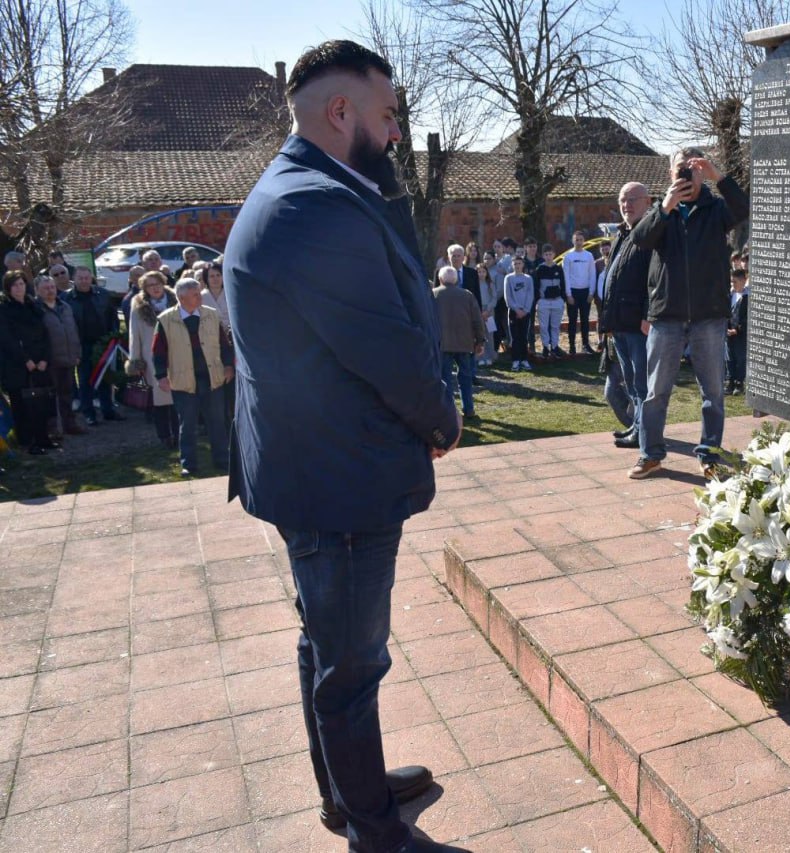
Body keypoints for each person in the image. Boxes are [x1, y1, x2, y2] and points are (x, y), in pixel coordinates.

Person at [222, 39, 464, 853]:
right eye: (387, 115)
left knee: (327, 647)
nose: (395, 132)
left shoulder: (304, 187)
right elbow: (386, 349)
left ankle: (346, 790)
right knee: (351, 668)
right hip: (340, 478)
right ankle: (375, 830)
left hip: (318, 467)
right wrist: (441, 422)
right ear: (340, 111)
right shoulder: (313, 207)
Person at [629, 148, 748, 479]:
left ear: (702, 174)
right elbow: (640, 239)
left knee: (713, 392)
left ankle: (709, 454)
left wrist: (718, 176)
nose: (686, 175)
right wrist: (665, 208)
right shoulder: (661, 210)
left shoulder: (716, 209)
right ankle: (651, 454)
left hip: (709, 315)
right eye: (680, 168)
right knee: (656, 392)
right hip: (667, 316)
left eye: (694, 169)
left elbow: (743, 208)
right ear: (670, 174)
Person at [152, 278, 232, 476]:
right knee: (187, 425)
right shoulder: (165, 320)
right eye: (195, 294)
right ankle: (188, 464)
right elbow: (158, 351)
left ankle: (223, 460)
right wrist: (161, 376)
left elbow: (224, 344)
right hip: (183, 381)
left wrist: (229, 365)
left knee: (217, 422)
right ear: (181, 297)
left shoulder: (211, 315)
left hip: (212, 378)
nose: (200, 297)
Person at [598, 182, 653, 450]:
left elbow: (656, 279)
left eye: (632, 199)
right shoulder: (622, 233)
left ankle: (644, 433)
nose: (626, 205)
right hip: (620, 323)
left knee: (641, 384)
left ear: (648, 202)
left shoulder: (650, 233)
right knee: (631, 383)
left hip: (638, 325)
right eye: (622, 199)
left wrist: (648, 315)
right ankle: (637, 426)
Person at [0, 271, 57, 453]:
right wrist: (26, 360)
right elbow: (7, 339)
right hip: (17, 365)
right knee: (22, 406)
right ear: (8, 288)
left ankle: (43, 438)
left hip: (40, 363)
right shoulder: (4, 309)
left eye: (21, 284)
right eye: (15, 285)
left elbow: (45, 334)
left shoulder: (33, 305)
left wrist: (44, 358)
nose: (19, 288)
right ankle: (28, 442)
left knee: (41, 403)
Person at [127, 271, 179, 448]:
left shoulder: (176, 299)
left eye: (157, 283)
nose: (155, 288)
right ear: (145, 288)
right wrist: (136, 360)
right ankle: (164, 436)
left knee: (178, 397)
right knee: (160, 399)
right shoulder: (138, 306)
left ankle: (179, 434)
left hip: (177, 354)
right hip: (152, 356)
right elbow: (134, 334)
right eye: (150, 285)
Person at [67, 266, 124, 425]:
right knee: (85, 380)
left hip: (103, 343)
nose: (84, 281)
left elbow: (113, 318)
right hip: (82, 345)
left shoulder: (103, 294)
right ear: (74, 279)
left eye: (87, 277)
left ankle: (108, 410)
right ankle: (89, 413)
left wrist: (113, 338)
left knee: (105, 378)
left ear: (91, 278)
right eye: (80, 278)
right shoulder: (66, 298)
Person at [34, 274, 84, 437]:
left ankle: (70, 424)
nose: (50, 291)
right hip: (49, 361)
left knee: (67, 395)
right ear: (37, 290)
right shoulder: (35, 309)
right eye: (45, 288)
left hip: (68, 359)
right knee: (49, 397)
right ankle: (53, 429)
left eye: (52, 287)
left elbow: (73, 330)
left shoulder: (65, 306)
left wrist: (77, 353)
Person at [433, 266, 485, 418]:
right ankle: (468, 409)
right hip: (464, 343)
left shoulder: (433, 295)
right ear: (456, 280)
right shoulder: (467, 295)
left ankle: (449, 411)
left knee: (445, 379)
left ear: (440, 279)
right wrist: (480, 340)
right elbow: (477, 320)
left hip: (442, 343)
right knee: (465, 378)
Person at [199, 260, 235, 421]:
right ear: (206, 278)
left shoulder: (231, 292)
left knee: (232, 382)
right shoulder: (201, 297)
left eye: (218, 275)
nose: (215, 279)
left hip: (232, 342)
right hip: (211, 344)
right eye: (211, 276)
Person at [561, 230, 596, 356]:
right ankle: (572, 346)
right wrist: (568, 294)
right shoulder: (568, 256)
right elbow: (566, 277)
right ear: (573, 241)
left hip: (586, 292)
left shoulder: (589, 256)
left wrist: (591, 292)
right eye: (577, 240)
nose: (579, 242)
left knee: (585, 319)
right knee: (572, 320)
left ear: (584, 241)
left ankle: (586, 344)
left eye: (581, 240)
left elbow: (592, 275)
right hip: (573, 293)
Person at [533, 243, 566, 358]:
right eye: (546, 254)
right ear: (543, 256)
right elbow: (536, 286)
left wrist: (562, 299)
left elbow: (563, 284)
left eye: (550, 254)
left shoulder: (558, 268)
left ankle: (555, 347)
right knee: (543, 326)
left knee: (555, 326)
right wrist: (538, 300)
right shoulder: (540, 269)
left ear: (554, 254)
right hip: (544, 301)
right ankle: (545, 347)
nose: (548, 256)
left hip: (557, 301)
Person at [504, 255, 534, 371]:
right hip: (513, 312)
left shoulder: (528, 278)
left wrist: (525, 310)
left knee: (524, 337)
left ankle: (524, 360)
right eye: (515, 263)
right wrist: (516, 310)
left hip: (525, 312)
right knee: (515, 337)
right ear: (512, 265)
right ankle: (515, 361)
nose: (517, 266)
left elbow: (530, 295)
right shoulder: (508, 278)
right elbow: (508, 297)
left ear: (523, 264)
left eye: (519, 263)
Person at [726, 267, 749, 395]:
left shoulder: (747, 297)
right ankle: (730, 382)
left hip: (740, 334)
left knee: (740, 359)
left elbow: (746, 318)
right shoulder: (730, 295)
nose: (733, 284)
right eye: (732, 281)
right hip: (729, 333)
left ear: (742, 281)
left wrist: (737, 329)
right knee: (729, 358)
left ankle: (739, 383)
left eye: (735, 281)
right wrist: (727, 328)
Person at [474, 260, 498, 366]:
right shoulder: (475, 285)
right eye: (479, 272)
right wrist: (479, 310)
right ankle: (480, 357)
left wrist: (487, 310)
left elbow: (494, 298)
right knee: (479, 335)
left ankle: (489, 356)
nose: (481, 274)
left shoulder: (490, 284)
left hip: (489, 312)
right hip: (478, 311)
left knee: (490, 335)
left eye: (483, 271)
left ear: (487, 273)